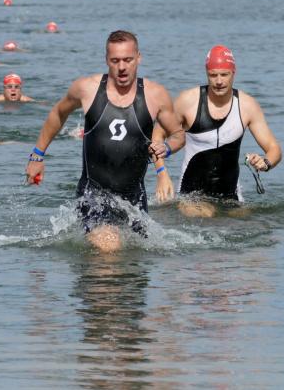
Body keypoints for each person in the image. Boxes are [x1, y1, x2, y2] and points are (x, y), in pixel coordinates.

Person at [25, 30, 184, 252]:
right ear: (106, 60)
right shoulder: (86, 89)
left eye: (128, 60)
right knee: (109, 246)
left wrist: (166, 148)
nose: (122, 67)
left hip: (134, 200)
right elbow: (58, 114)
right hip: (94, 195)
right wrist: (37, 155)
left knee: (134, 264)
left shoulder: (156, 95)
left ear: (139, 58)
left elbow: (178, 134)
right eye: (115, 61)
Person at [153, 45, 282, 217]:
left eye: (224, 74)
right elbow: (157, 135)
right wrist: (162, 174)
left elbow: (274, 148)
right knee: (205, 215)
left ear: (233, 73)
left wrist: (265, 163)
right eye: (213, 75)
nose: (219, 81)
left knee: (252, 223)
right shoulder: (188, 101)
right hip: (192, 195)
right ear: (207, 73)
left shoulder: (247, 106)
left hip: (231, 196)